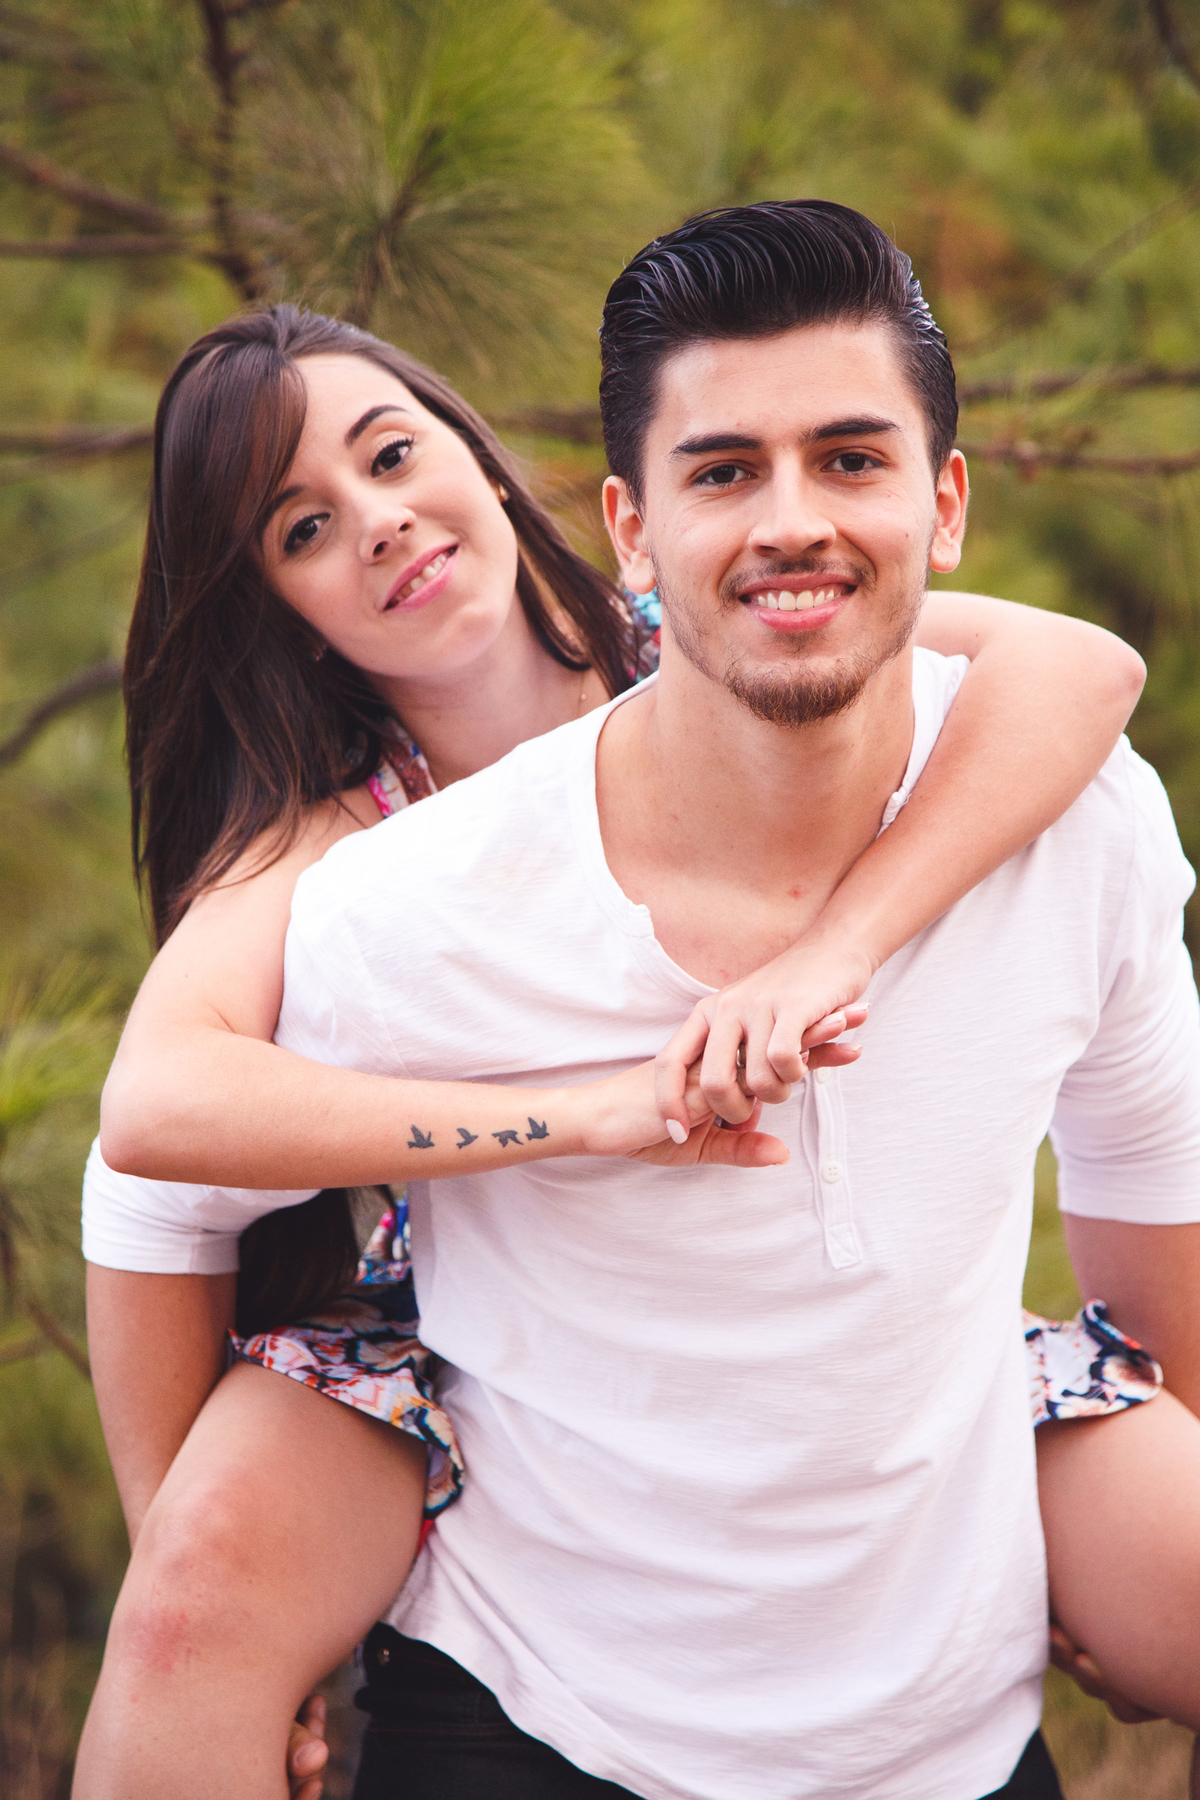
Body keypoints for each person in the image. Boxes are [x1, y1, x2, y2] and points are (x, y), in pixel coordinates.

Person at [72, 274, 1181, 1800]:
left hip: (855, 1336)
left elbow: (1078, 669)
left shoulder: (715, 622)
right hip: (455, 1332)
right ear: (282, 608)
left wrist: (838, 945)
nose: (376, 523)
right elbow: (152, 1138)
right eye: (304, 528)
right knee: (193, 1607)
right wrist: (592, 1111)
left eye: (390, 457)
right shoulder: (338, 850)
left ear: (481, 459)